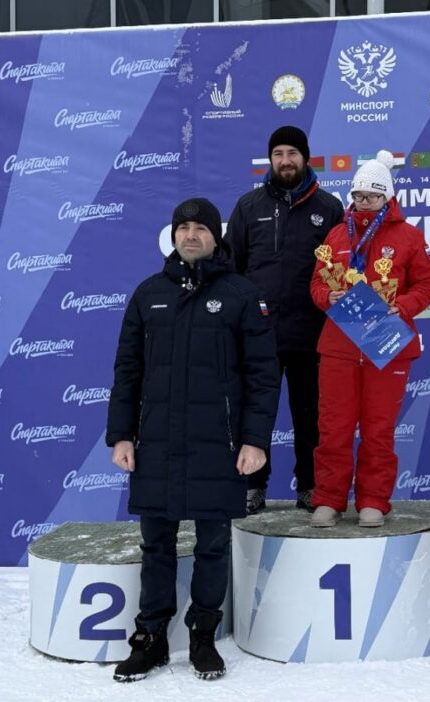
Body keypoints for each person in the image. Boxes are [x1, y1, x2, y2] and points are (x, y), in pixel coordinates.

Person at [106, 197, 280, 683]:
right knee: (156, 545)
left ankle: (204, 635)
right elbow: (128, 371)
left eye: (200, 228)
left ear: (215, 236)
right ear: (173, 235)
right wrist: (121, 434)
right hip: (157, 442)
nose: (190, 235)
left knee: (212, 545)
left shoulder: (243, 295)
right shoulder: (148, 295)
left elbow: (263, 375)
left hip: (218, 444)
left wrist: (255, 440)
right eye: (182, 227)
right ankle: (151, 639)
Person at [308, 150, 430, 528]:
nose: (364, 203)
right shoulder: (335, 234)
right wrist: (325, 297)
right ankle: (329, 498)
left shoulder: (408, 237)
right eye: (359, 195)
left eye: (373, 196)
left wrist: (406, 306)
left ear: (387, 198)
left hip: (386, 341)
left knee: (378, 429)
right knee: (334, 427)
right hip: (339, 345)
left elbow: (427, 284)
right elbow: (317, 282)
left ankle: (374, 500)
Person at [226, 125, 344, 514]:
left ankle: (310, 487)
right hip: (258, 336)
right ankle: (252, 486)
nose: (285, 160)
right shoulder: (249, 207)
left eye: (293, 153)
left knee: (310, 416)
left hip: (311, 334)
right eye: (278, 153)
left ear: (305, 158)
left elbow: (342, 271)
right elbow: (233, 268)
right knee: (254, 414)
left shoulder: (328, 208)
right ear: (270, 159)